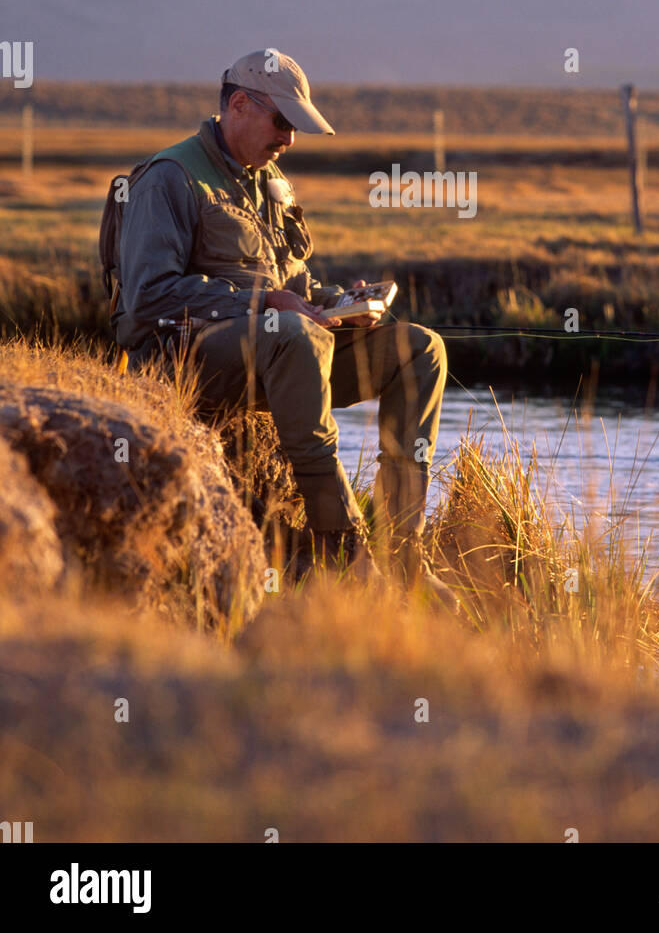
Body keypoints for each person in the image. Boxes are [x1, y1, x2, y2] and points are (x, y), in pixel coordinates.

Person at [114, 48, 457, 607]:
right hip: (187, 364)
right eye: (282, 122)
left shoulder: (271, 183)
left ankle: (404, 554)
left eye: (295, 126)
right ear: (240, 106)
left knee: (420, 347)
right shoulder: (168, 179)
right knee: (291, 335)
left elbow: (293, 283)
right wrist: (263, 302)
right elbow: (146, 300)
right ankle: (344, 551)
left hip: (283, 354)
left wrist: (343, 301)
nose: (290, 140)